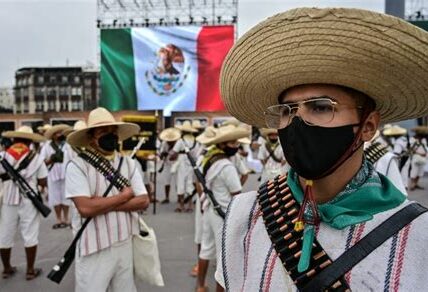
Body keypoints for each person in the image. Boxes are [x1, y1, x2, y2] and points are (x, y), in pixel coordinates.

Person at [216, 7, 428, 291]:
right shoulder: (244, 214)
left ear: (367, 126)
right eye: (288, 110)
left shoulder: (418, 234)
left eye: (320, 107)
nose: (298, 121)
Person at [65, 107, 149, 292]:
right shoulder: (77, 165)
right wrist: (124, 196)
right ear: (90, 137)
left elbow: (143, 200)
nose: (110, 136)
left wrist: (102, 205)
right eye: (103, 132)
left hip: (124, 242)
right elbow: (85, 208)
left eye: (113, 132)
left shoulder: (127, 162)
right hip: (93, 247)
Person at [196, 124, 250, 292]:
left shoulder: (209, 157)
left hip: (210, 210)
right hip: (224, 215)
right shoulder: (226, 166)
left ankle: (200, 286)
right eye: (232, 143)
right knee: (223, 258)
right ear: (223, 144)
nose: (236, 146)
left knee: (206, 250)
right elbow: (237, 193)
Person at [0, 126, 47, 280]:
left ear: (14, 139)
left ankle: (7, 269)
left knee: (5, 234)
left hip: (8, 200)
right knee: (30, 234)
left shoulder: (3, 156)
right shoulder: (37, 158)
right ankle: (30, 270)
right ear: (29, 141)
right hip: (29, 200)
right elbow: (42, 181)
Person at [40, 124, 72, 229]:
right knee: (55, 197)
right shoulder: (47, 145)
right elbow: (41, 161)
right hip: (52, 174)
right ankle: (59, 218)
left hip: (65, 173)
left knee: (66, 197)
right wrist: (51, 159)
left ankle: (66, 218)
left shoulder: (67, 144)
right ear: (53, 135)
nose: (59, 135)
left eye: (61, 133)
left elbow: (72, 158)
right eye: (57, 133)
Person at [171, 120, 200, 212]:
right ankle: (190, 205)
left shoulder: (181, 141)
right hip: (192, 164)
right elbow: (197, 155)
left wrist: (171, 156)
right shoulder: (196, 141)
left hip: (182, 163)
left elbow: (174, 153)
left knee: (180, 183)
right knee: (190, 183)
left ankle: (181, 205)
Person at [158, 127, 181, 204]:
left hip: (176, 164)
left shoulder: (178, 143)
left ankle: (179, 198)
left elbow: (177, 155)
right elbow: (160, 155)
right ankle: (167, 197)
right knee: (166, 181)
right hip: (167, 164)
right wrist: (163, 154)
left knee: (178, 182)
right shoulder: (164, 143)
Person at [407, 126, 428, 191]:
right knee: (414, 171)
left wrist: (425, 153)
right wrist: (420, 153)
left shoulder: (423, 139)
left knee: (420, 172)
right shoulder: (412, 139)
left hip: (423, 157)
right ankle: (412, 184)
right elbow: (411, 149)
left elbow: (425, 147)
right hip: (415, 156)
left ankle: (416, 184)